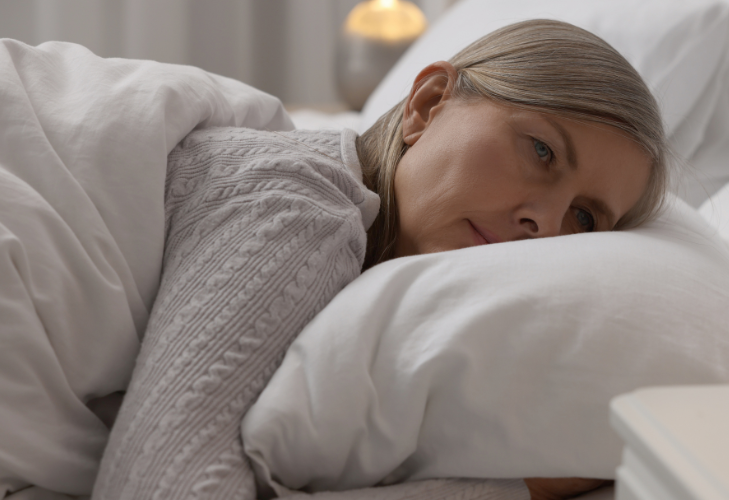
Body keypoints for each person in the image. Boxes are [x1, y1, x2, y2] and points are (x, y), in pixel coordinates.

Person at [91, 19, 669, 500]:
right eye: (541, 150)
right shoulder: (299, 202)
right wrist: (521, 487)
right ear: (428, 104)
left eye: (585, 217)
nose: (545, 222)